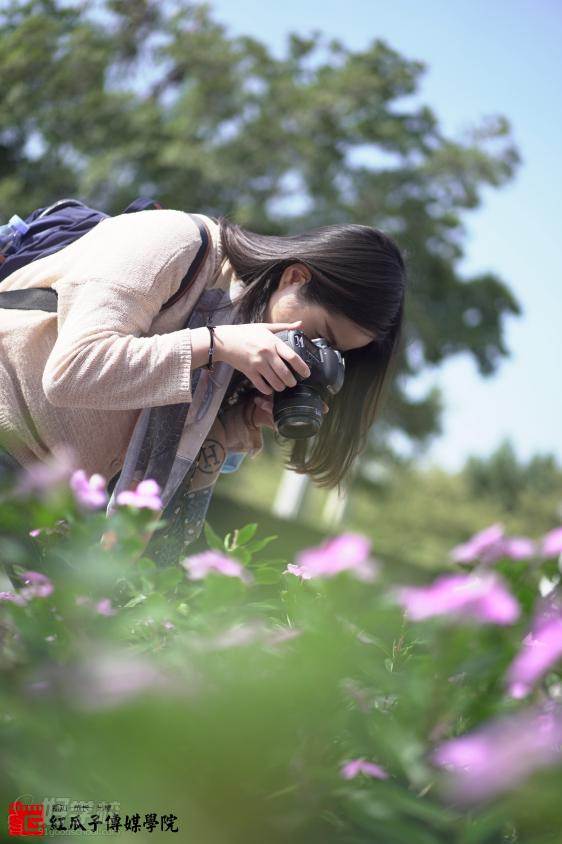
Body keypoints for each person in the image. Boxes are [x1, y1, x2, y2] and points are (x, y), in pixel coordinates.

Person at [0, 208, 406, 539]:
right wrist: (213, 344)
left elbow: (171, 532)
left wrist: (233, 425)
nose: (308, 358)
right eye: (318, 336)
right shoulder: (172, 242)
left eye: (330, 354)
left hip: (41, 505)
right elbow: (72, 372)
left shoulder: (236, 357)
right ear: (295, 278)